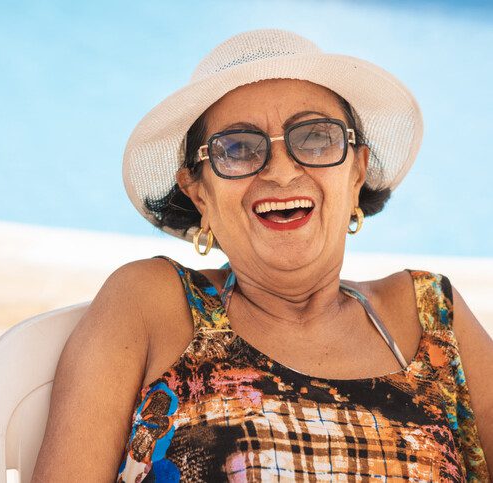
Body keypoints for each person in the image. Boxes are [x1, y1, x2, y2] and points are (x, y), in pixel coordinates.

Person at [31, 29, 492, 482]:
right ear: (199, 195)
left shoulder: (433, 314)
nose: (282, 171)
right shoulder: (150, 303)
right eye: (237, 149)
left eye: (315, 137)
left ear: (357, 172)